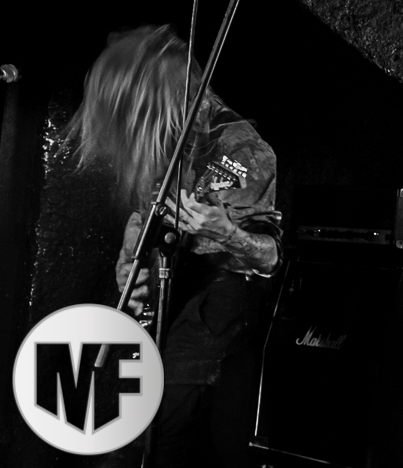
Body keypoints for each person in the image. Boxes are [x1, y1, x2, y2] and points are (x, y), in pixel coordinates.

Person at [69, 26, 282, 468]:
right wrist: (129, 263)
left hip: (216, 295)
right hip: (167, 288)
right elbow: (144, 209)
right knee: (132, 423)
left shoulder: (240, 148)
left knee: (166, 429)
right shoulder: (166, 134)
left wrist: (226, 232)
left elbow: (270, 257)